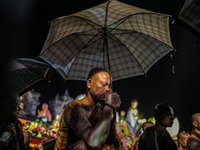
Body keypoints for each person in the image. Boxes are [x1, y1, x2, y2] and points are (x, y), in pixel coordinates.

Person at [55, 68, 122, 150]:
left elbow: (117, 145)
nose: (108, 89)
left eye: (109, 86)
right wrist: (108, 108)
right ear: (89, 83)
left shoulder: (102, 111)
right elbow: (94, 144)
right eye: (103, 85)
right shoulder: (73, 108)